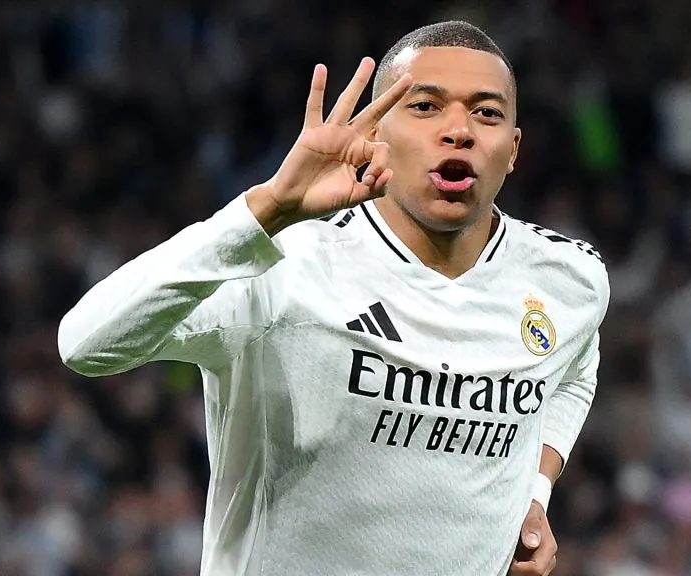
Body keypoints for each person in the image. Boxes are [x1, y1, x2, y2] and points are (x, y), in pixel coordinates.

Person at [58, 20, 608, 576]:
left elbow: (573, 371)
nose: (459, 131)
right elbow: (86, 344)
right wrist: (269, 207)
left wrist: (534, 493)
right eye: (425, 107)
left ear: (513, 149)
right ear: (376, 133)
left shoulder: (568, 279)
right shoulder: (283, 269)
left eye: (486, 113)